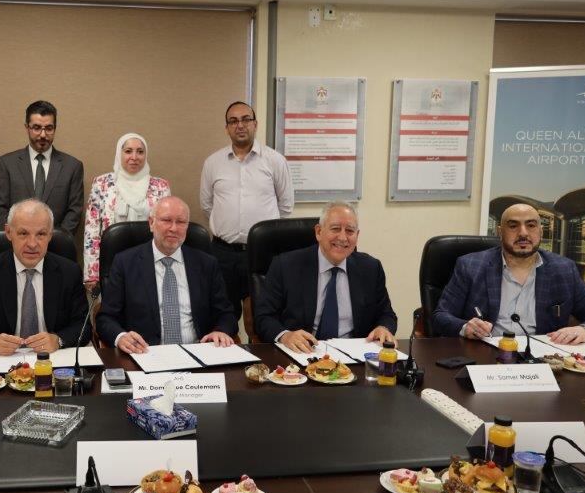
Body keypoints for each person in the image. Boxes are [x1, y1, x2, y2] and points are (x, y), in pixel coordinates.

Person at [432, 203, 585, 344]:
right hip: (485, 355)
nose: (523, 233)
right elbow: (440, 316)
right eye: (513, 226)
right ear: (500, 232)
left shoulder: (563, 269)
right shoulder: (471, 266)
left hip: (543, 359)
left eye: (531, 225)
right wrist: (465, 327)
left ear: (540, 231)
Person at [96, 196, 237, 354]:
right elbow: (105, 318)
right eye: (166, 220)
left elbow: (226, 314)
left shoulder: (206, 264)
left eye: (181, 222)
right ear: (151, 223)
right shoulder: (125, 262)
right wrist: (121, 337)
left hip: (198, 353)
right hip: (145, 353)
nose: (174, 228)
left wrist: (221, 331)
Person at [254, 201, 397, 352]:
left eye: (350, 231)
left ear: (357, 235)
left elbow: (386, 314)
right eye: (335, 229)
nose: (343, 237)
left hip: (354, 356)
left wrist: (383, 328)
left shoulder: (371, 268)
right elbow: (263, 317)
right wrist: (285, 336)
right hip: (303, 353)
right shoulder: (285, 266)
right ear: (319, 232)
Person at [200, 101, 293, 325]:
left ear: (255, 124)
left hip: (261, 252)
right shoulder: (213, 163)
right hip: (223, 253)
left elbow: (286, 207)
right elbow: (207, 205)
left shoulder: (275, 160)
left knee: (260, 318)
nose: (240, 125)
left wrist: (265, 235)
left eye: (245, 119)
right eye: (233, 121)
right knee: (223, 317)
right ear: (227, 128)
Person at [0, 199, 89, 354]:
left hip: (52, 359)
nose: (32, 244)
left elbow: (84, 327)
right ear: (9, 232)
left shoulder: (69, 272)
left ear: (50, 235)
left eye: (41, 234)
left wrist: (59, 340)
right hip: (3, 362)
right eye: (23, 233)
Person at [83, 133, 171, 290]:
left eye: (140, 152)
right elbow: (92, 230)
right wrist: (92, 274)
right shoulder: (102, 184)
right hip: (111, 262)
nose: (134, 157)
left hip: (150, 262)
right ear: (119, 153)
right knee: (113, 303)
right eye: (128, 151)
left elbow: (166, 229)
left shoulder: (161, 186)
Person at [0, 100, 84, 235]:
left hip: (56, 243)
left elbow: (74, 212)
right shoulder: (7, 164)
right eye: (36, 128)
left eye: (49, 128)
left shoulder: (72, 167)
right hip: (16, 244)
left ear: (55, 128)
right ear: (27, 128)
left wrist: (53, 239)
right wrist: (17, 238)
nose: (43, 135)